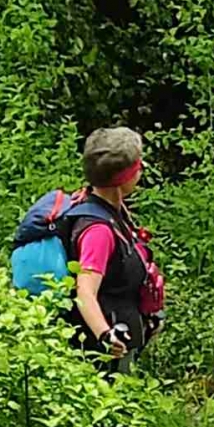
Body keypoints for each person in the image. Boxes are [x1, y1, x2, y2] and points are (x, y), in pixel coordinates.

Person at [60, 126, 163, 363]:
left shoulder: (110, 208)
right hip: (107, 358)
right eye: (138, 166)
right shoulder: (99, 231)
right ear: (123, 178)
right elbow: (85, 291)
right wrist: (106, 336)